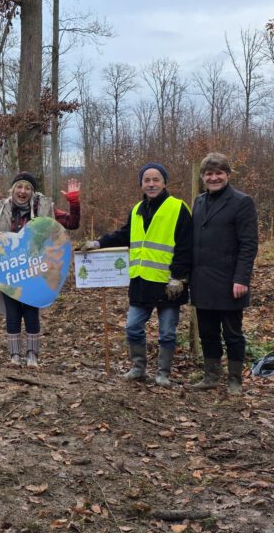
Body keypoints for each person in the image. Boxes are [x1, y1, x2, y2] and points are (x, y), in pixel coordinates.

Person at [82, 163, 192, 387]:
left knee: (167, 333)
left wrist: (179, 277)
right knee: (133, 327)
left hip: (168, 284)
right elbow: (124, 235)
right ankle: (138, 369)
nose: (151, 184)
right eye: (147, 180)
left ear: (164, 183)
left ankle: (163, 373)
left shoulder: (178, 208)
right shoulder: (137, 210)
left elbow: (186, 246)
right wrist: (99, 243)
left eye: (156, 180)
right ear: (141, 184)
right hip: (141, 282)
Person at [0, 172, 80, 366]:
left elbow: (72, 223)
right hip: (9, 269)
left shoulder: (45, 207)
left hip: (36, 268)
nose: (23, 191)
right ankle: (14, 356)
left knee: (31, 309)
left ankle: (32, 356)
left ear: (32, 192)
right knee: (12, 312)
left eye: (27, 188)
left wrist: (74, 202)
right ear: (13, 189)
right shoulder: (1, 208)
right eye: (19, 187)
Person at [190, 153, 258, 395]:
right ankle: (211, 376)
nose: (214, 178)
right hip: (202, 280)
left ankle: (235, 379)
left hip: (230, 281)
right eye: (209, 174)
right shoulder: (198, 202)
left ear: (228, 174)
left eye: (219, 173)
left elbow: (249, 244)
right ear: (203, 177)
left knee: (232, 333)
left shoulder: (242, 202)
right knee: (207, 332)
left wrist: (241, 278)